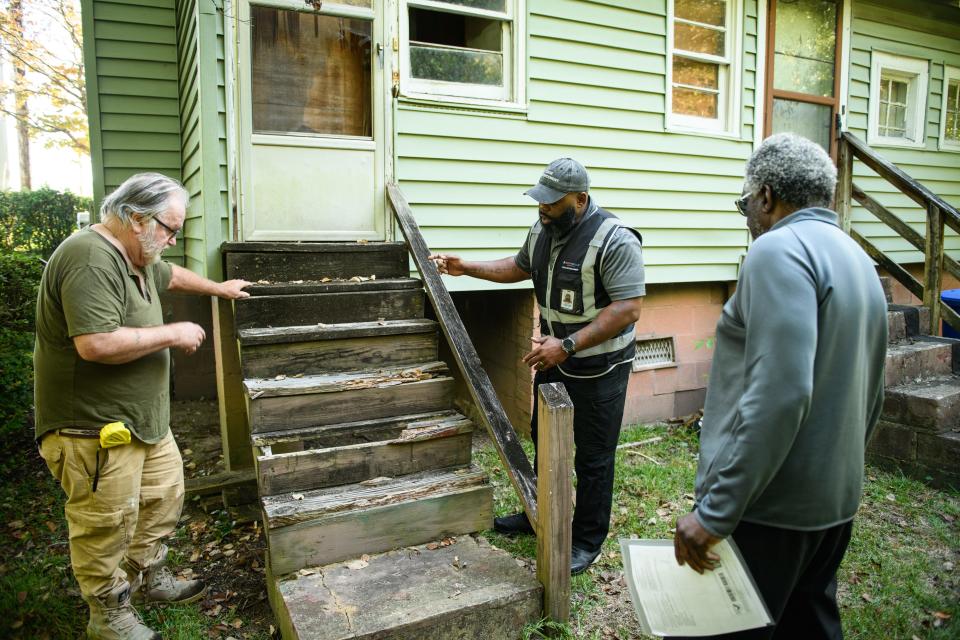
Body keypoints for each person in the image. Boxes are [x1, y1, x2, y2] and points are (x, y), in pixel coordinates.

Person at [672, 133, 888, 639]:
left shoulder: (777, 251)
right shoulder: (859, 260)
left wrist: (717, 512)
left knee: (719, 631)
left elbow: (779, 393)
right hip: (833, 506)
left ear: (765, 196)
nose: (747, 215)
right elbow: (873, 392)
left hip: (768, 512)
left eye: (744, 202)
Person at [34, 173, 252, 640]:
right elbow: (94, 343)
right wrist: (173, 335)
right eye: (170, 229)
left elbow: (171, 276)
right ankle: (108, 613)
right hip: (92, 427)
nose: (173, 240)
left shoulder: (140, 255)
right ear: (135, 218)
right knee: (105, 523)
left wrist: (219, 288)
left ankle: (147, 575)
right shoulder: (89, 257)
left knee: (162, 498)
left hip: (144, 421)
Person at [429, 158, 645, 575]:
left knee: (594, 456)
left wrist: (566, 345)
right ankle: (543, 515)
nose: (542, 208)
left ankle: (585, 540)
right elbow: (519, 266)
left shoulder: (615, 240)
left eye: (552, 202)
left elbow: (629, 308)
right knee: (545, 439)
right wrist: (465, 267)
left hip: (600, 368)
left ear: (580, 199)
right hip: (554, 360)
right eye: (539, 200)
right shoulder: (544, 229)